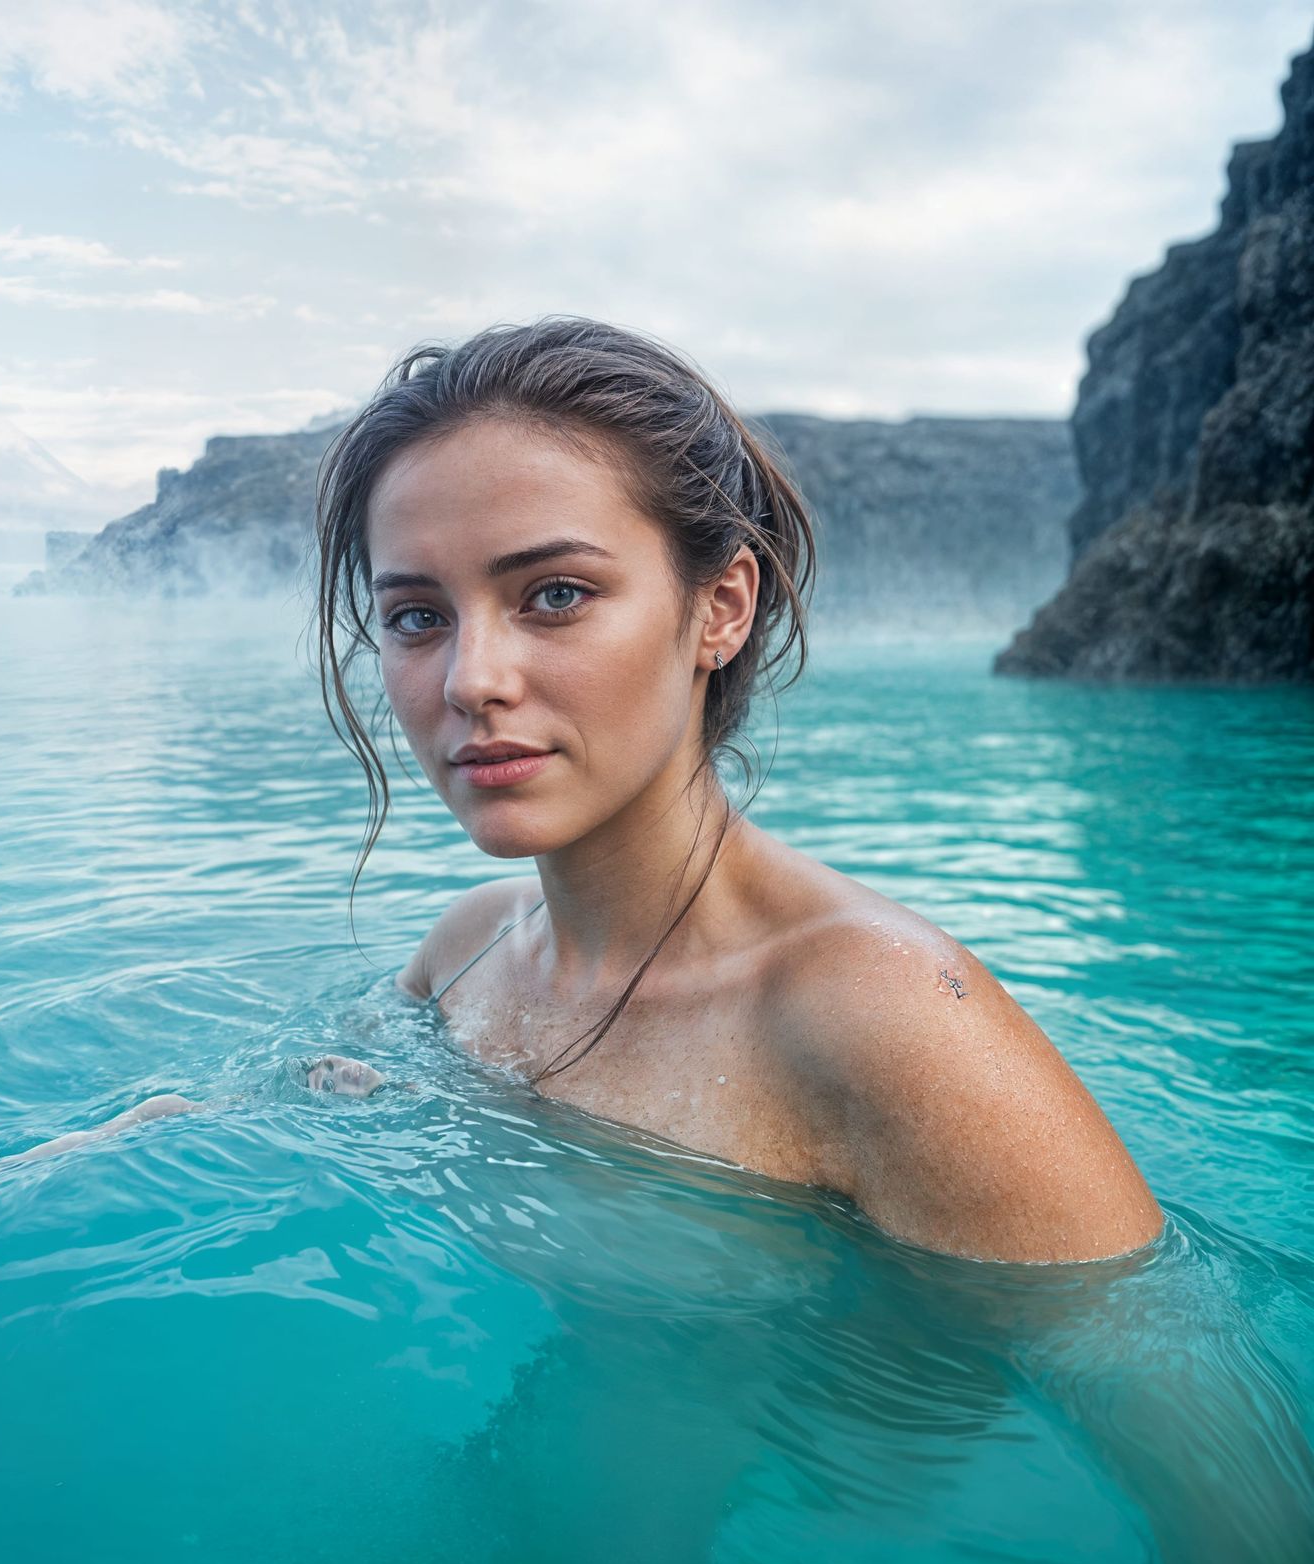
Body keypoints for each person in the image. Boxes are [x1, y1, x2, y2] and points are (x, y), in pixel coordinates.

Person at [305, 314, 1164, 1266]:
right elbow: (324, 1089)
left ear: (721, 609)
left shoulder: (886, 1019)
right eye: (417, 615)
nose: (471, 679)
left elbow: (1177, 1392)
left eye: (556, 594)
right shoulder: (463, 955)